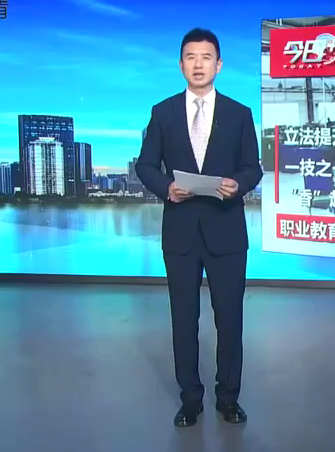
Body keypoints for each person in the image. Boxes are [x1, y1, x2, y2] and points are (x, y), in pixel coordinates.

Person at [134, 28, 262, 428]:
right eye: (191, 57)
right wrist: (166, 188)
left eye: (206, 57)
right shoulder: (163, 112)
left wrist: (238, 184)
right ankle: (190, 399)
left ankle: (229, 398)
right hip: (181, 232)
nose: (199, 64)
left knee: (230, 319)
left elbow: (253, 168)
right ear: (181, 65)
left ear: (218, 65)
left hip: (227, 231)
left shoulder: (239, 114)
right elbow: (145, 165)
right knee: (183, 320)